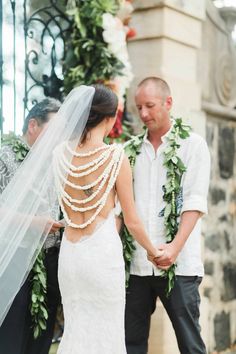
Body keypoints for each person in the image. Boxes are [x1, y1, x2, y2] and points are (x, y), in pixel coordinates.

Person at [0, 84, 161, 354]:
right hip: (101, 255)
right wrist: (154, 251)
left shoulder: (59, 154)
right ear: (110, 119)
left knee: (76, 330)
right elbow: (132, 221)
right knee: (106, 332)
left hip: (71, 257)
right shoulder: (115, 157)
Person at [124, 77, 210, 354]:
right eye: (139, 107)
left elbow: (194, 202)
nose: (144, 113)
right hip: (137, 265)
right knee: (132, 343)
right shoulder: (129, 150)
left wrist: (173, 248)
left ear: (168, 103)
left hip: (180, 265)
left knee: (190, 344)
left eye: (150, 105)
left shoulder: (193, 146)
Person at [0, 98, 63, 354]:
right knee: (12, 336)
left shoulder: (56, 163)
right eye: (54, 130)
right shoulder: (5, 155)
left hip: (49, 261)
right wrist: (33, 223)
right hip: (15, 259)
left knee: (41, 339)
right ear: (33, 125)